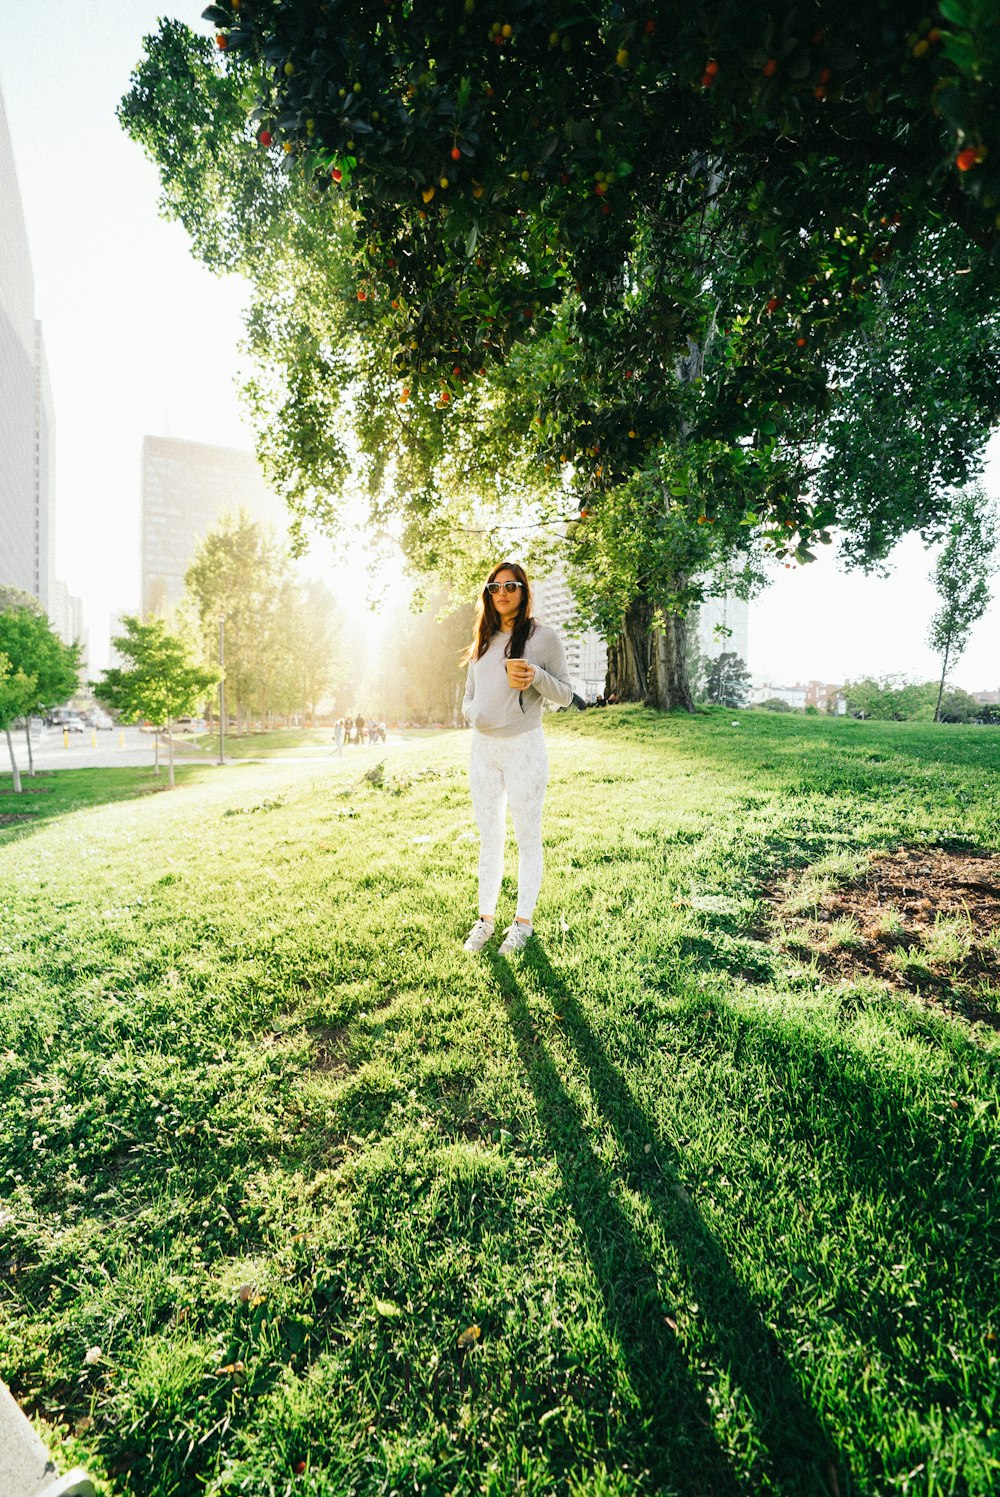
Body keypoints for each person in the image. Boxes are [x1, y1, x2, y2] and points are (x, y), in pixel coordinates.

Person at [460, 561, 573, 955]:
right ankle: (485, 920)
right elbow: (468, 696)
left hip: (524, 747)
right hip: (483, 751)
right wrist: (475, 716)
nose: (503, 592)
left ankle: (522, 923)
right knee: (489, 837)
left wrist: (536, 677)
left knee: (527, 837)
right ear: (488, 594)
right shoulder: (483, 639)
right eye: (495, 586)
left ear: (524, 591)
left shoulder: (544, 638)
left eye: (511, 585)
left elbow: (566, 694)